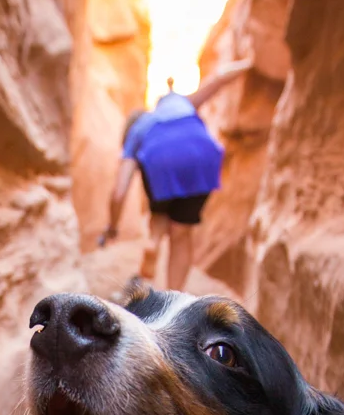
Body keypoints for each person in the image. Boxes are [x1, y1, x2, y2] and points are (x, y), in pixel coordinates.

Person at [99, 61, 250, 291]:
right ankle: (173, 295)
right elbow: (218, 79)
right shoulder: (182, 104)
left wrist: (112, 227)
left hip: (161, 165)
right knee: (181, 232)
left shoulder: (138, 130)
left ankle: (153, 241)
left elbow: (119, 191)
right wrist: (248, 63)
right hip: (203, 159)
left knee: (159, 204)